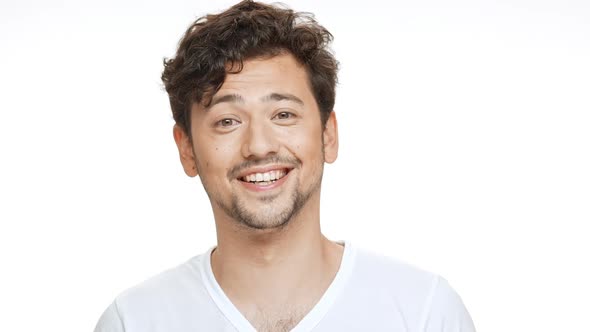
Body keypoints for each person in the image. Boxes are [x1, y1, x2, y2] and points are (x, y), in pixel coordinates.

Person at [94, 1, 476, 331]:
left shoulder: (424, 313)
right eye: (228, 121)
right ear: (187, 150)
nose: (259, 146)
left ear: (328, 134)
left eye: (283, 114)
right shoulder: (135, 321)